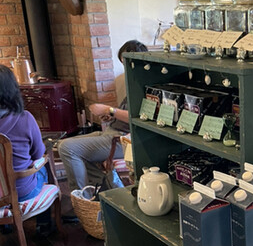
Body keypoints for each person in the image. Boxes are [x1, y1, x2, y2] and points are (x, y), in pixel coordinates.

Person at [57, 40, 147, 194]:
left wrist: (109, 109)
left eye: (127, 63)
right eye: (123, 63)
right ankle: (104, 190)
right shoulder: (134, 81)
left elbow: (138, 117)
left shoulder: (145, 84)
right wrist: (111, 116)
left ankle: (83, 197)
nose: (125, 68)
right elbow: (127, 112)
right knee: (62, 144)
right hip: (112, 133)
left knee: (68, 148)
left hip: (123, 140)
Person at [0, 64, 51, 234]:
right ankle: (44, 224)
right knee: (43, 166)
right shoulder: (25, 118)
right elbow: (38, 154)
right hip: (21, 192)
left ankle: (5, 225)